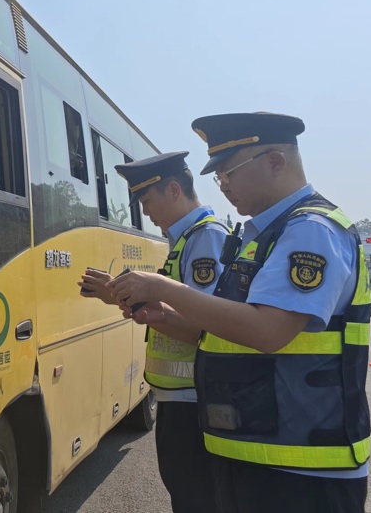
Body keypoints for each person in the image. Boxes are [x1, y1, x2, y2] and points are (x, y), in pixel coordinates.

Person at [110, 112, 371, 513]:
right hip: (261, 452)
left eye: (229, 172)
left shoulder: (310, 230)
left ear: (275, 163)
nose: (224, 186)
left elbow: (268, 332)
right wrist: (161, 314)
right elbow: (218, 332)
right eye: (219, 178)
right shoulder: (263, 236)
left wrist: (163, 288)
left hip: (304, 467)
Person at [79, 151, 228, 513]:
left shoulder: (206, 238)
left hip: (196, 402)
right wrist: (119, 294)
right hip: (180, 401)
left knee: (196, 499)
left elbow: (204, 328)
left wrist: (129, 299)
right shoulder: (187, 240)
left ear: (173, 189)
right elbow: (169, 312)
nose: (145, 213)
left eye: (147, 200)